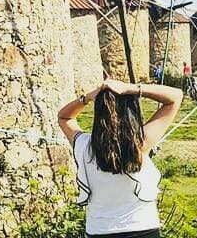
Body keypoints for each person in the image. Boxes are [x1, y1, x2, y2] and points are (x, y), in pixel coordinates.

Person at [57, 78, 184, 238]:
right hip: (142, 228)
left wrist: (87, 98)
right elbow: (175, 96)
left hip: (99, 231)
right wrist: (131, 88)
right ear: (132, 111)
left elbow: (64, 117)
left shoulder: (84, 146)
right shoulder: (140, 144)